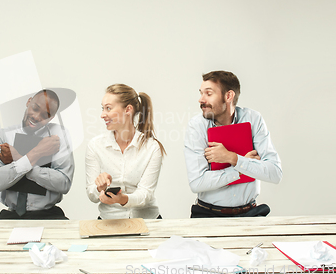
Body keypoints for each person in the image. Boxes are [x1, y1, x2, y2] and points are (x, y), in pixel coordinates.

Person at [185, 71, 282, 218]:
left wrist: (233, 158)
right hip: (209, 215)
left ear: (229, 96)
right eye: (201, 93)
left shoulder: (253, 119)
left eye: (209, 94)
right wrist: (241, 169)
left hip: (250, 213)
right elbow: (197, 183)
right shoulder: (196, 126)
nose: (201, 99)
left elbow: (275, 173)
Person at [0, 89, 74, 220]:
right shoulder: (4, 135)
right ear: (29, 102)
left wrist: (17, 159)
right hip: (12, 215)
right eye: (35, 108)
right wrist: (37, 153)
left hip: (49, 215)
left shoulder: (58, 136)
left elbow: (64, 183)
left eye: (45, 115)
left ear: (51, 118)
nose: (37, 117)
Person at [85, 84, 166, 219]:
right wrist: (99, 187)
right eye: (103, 108)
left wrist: (122, 199)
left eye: (108, 108)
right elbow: (92, 194)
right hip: (109, 221)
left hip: (147, 221)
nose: (102, 115)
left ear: (128, 110)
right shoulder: (95, 146)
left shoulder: (152, 148)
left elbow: (145, 194)